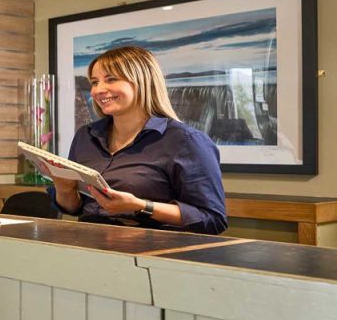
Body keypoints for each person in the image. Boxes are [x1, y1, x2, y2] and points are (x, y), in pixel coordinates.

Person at [50, 45, 227, 235]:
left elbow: (212, 220)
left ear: (142, 82)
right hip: (89, 247)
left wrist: (141, 206)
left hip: (152, 252)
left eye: (111, 79)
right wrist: (64, 190)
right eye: (94, 82)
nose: (98, 90)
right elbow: (74, 208)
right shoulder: (85, 136)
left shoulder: (186, 140)